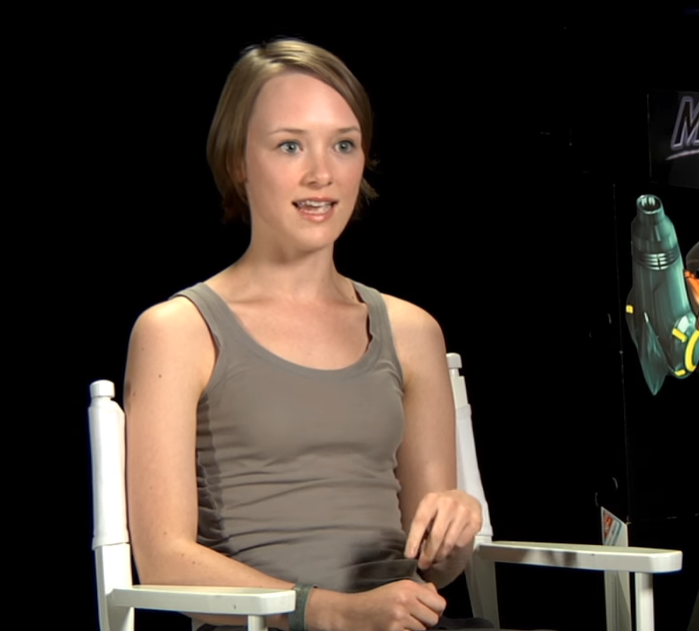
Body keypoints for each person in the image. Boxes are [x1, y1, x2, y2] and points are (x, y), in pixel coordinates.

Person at [123, 38, 493, 631]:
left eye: (343, 145)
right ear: (238, 162)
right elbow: (165, 562)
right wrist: (333, 612)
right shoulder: (179, 330)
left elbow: (434, 566)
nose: (321, 174)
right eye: (290, 145)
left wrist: (453, 530)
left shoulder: (411, 330)